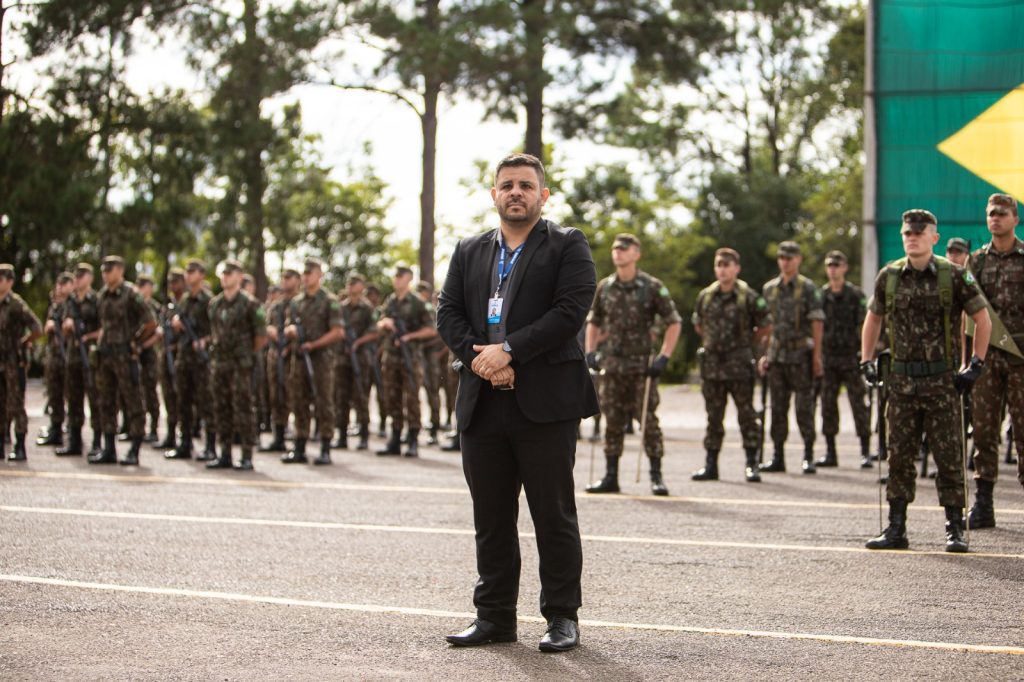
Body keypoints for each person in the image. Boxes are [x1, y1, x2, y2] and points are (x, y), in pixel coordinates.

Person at [437, 153, 598, 652]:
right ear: (494, 195)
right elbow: (448, 312)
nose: (516, 192)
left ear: (542, 195)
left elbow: (571, 310)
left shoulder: (567, 245)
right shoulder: (469, 250)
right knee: (491, 515)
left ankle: (561, 617)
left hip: (545, 402)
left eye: (526, 185)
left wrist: (509, 350)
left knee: (552, 513)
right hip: (483, 404)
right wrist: (483, 359)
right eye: (507, 185)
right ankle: (494, 616)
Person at [860, 209, 990, 552]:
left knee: (948, 456)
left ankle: (954, 528)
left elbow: (982, 318)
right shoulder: (889, 276)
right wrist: (866, 359)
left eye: (920, 232)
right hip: (901, 382)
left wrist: (976, 363)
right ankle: (896, 527)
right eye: (907, 233)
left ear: (935, 237)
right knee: (899, 456)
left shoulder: (954, 276)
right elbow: (873, 319)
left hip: (942, 383)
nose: (912, 237)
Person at [583, 233, 682, 495]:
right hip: (613, 366)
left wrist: (664, 356)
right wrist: (590, 352)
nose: (619, 252)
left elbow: (674, 321)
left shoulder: (651, 286)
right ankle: (611, 476)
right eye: (616, 248)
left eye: (625, 248)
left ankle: (656, 476)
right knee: (612, 422)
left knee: (647, 422)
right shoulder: (606, 286)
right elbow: (594, 321)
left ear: (636, 253)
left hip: (641, 368)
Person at [691, 248, 771, 482]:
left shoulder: (748, 295)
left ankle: (751, 463)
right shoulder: (706, 295)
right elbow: (698, 323)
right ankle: (711, 464)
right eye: (719, 265)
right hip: (713, 366)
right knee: (713, 417)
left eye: (727, 265)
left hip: (739, 364)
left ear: (737, 268)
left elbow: (766, 324)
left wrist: (747, 343)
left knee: (746, 416)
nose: (723, 269)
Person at [968, 193, 1024, 527]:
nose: (996, 218)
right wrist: (968, 361)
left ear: (1015, 219)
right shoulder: (975, 262)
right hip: (987, 358)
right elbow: (966, 317)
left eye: (1002, 213)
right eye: (991, 213)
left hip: (1021, 359)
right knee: (985, 431)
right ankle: (983, 503)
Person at [759, 241, 824, 473]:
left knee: (804, 407)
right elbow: (766, 326)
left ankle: (808, 454)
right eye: (782, 258)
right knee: (777, 408)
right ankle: (778, 455)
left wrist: (817, 356)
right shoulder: (770, 289)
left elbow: (817, 322)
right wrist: (764, 354)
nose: (786, 262)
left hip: (800, 356)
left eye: (790, 257)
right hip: (777, 356)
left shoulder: (808, 288)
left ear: (798, 260)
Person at [91, 256, 156, 465]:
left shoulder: (131, 294)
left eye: (109, 270)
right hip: (106, 356)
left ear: (120, 270)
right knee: (107, 402)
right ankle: (109, 448)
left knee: (133, 401)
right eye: (103, 270)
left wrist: (135, 341)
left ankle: (135, 448)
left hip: (125, 357)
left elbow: (150, 322)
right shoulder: (102, 296)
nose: (105, 274)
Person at [205, 259, 267, 470]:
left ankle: (247, 454)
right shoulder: (215, 304)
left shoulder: (251, 304)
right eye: (223, 273)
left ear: (240, 276)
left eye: (230, 273)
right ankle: (225, 453)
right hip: (220, 363)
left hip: (241, 365)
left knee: (243, 408)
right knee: (221, 408)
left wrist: (245, 356)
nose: (225, 277)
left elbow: (260, 337)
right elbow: (214, 333)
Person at [281, 258, 344, 465]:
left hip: (321, 360)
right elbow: (288, 326)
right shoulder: (297, 302)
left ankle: (325, 446)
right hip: (298, 359)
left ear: (319, 275)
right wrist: (290, 331)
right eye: (304, 273)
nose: (306, 277)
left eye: (310, 273)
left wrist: (314, 345)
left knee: (324, 401)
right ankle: (299, 446)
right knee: (298, 401)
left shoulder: (329, 300)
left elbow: (337, 332)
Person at [817, 250, 871, 468]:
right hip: (829, 358)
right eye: (830, 265)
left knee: (859, 404)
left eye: (837, 265)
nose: (833, 269)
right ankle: (830, 452)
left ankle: (865, 451)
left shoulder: (855, 295)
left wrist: (865, 354)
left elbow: (865, 324)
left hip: (850, 357)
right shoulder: (820, 296)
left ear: (845, 267)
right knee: (828, 405)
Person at [375, 265, 436, 457]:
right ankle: (395, 438)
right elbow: (379, 322)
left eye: (401, 276)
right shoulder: (390, 301)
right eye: (395, 276)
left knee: (411, 399)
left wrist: (409, 337)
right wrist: (385, 323)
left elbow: (432, 329)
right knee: (391, 397)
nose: (397, 279)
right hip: (391, 357)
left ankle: (412, 440)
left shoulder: (418, 303)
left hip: (411, 358)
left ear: (409, 278)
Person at [166, 259, 215, 461]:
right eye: (187, 271)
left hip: (201, 360)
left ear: (202, 275)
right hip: (184, 357)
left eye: (193, 271)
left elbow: (218, 331)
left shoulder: (209, 301)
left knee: (205, 402)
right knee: (183, 401)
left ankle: (210, 446)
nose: (188, 275)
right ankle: (184, 443)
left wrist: (205, 340)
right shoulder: (184, 300)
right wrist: (175, 322)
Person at [58, 263, 103, 457]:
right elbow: (63, 327)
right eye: (76, 275)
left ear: (90, 278)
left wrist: (88, 336)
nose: (78, 279)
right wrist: (66, 326)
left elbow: (105, 329)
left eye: (82, 275)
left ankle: (97, 442)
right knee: (74, 399)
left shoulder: (97, 300)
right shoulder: (71, 302)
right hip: (73, 356)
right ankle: (74, 442)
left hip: (91, 357)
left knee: (96, 399)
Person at [0, 264, 43, 461]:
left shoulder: (16, 304)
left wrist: (23, 343)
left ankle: (19, 445)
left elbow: (37, 328)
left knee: (16, 404)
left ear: (10, 282)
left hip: (13, 362)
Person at [334, 273, 378, 451]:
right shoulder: (341, 308)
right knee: (341, 398)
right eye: (350, 284)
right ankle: (342, 436)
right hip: (343, 358)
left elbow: (374, 332)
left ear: (362, 287)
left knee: (361, 397)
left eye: (355, 284)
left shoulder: (367, 308)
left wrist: (358, 342)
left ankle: (364, 436)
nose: (351, 287)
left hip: (360, 358)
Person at [261, 268, 300, 452]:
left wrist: (290, 343)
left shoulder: (300, 304)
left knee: (297, 397)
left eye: (289, 278)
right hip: (275, 356)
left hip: (295, 357)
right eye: (283, 277)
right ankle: (278, 437)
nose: (285, 281)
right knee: (276, 396)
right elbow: (266, 327)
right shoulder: (275, 306)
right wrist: (270, 332)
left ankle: (299, 440)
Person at [38, 272, 73, 448]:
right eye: (58, 284)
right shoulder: (56, 307)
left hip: (70, 357)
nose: (59, 287)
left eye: (64, 283)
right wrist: (50, 325)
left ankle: (73, 434)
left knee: (72, 396)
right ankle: (56, 430)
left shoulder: (74, 305)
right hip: (54, 357)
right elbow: (45, 328)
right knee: (54, 395)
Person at [155, 268, 185, 451]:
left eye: (176, 282)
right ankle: (171, 434)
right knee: (168, 396)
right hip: (166, 356)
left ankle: (186, 437)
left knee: (183, 398)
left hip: (182, 357)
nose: (173, 286)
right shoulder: (168, 307)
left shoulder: (187, 305)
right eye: (170, 283)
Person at [417, 280, 446, 445]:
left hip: (431, 357)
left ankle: (435, 427)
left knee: (433, 391)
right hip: (419, 356)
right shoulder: (420, 309)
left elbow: (438, 334)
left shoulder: (431, 310)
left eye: (423, 291)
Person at [135, 274, 162, 442]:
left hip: (149, 354)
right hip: (135, 354)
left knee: (151, 392)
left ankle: (153, 429)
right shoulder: (135, 305)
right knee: (138, 392)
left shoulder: (154, 307)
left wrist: (144, 344)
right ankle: (137, 428)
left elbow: (159, 332)